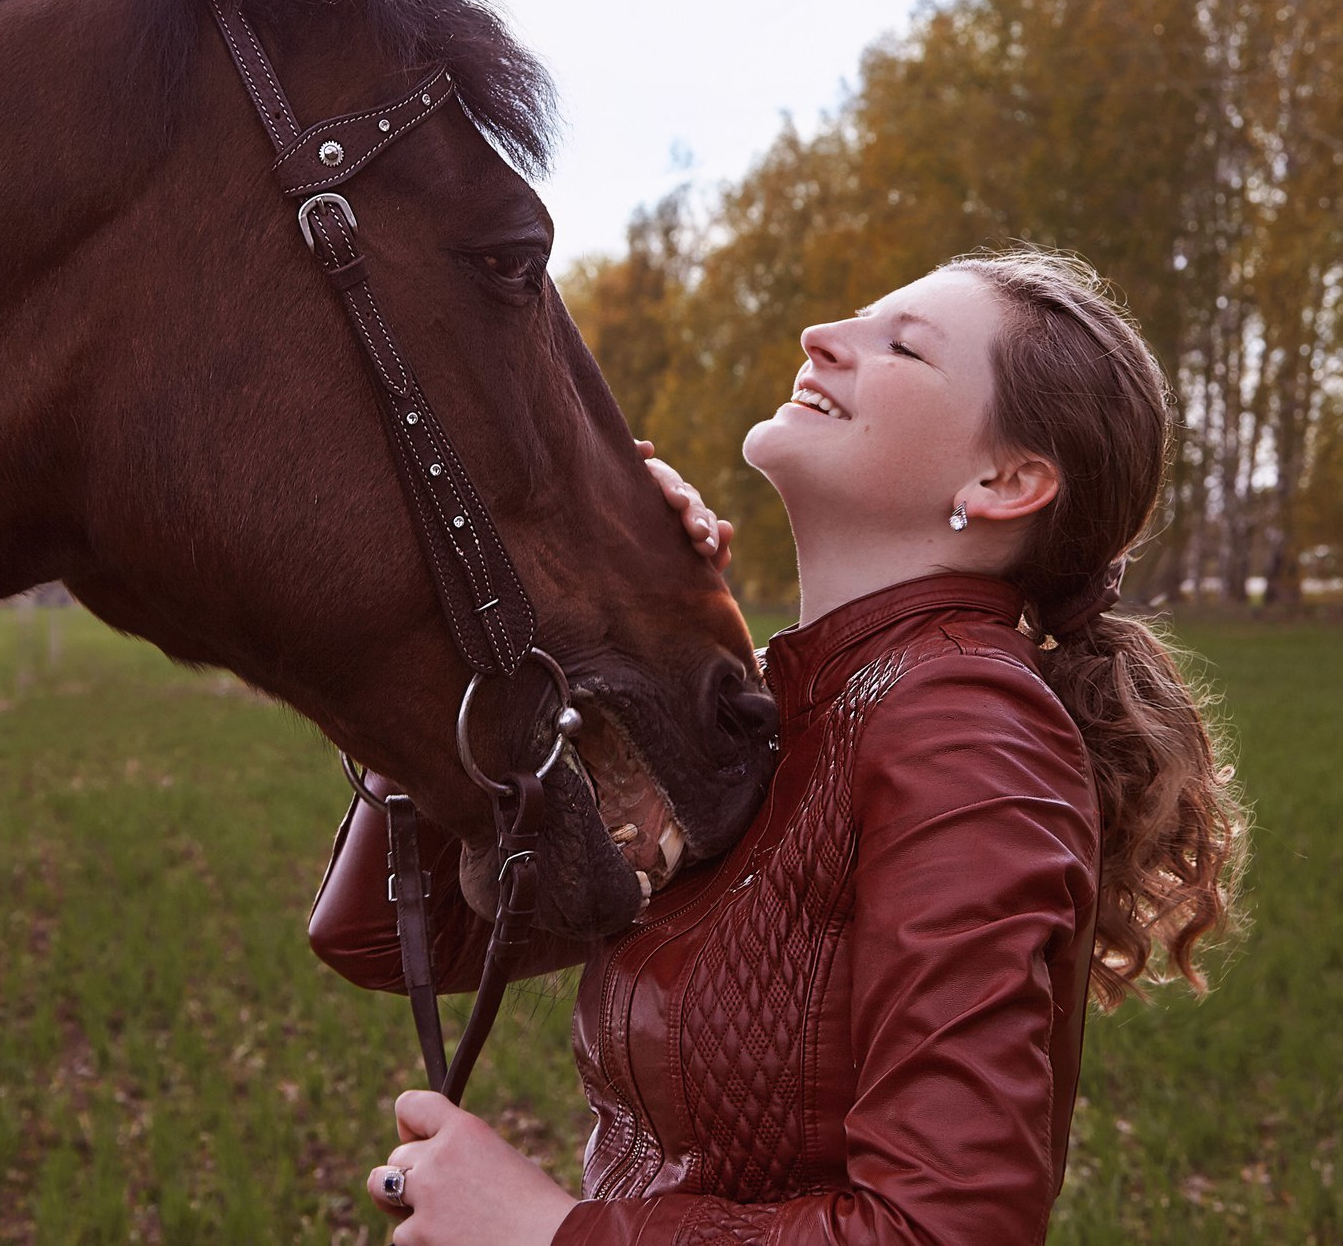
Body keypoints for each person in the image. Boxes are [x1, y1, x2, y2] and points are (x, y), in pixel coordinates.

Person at [308, 248, 1248, 1244]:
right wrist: (530, 622)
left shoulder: (966, 728)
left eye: (903, 347)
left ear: (1005, 480)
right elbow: (390, 938)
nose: (821, 337)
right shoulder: (769, 711)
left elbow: (944, 1229)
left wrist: (549, 1233)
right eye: (854, 315)